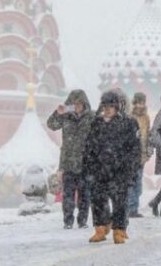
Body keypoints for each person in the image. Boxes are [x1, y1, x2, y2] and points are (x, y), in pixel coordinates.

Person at [84, 91, 140, 244]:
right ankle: (100, 229)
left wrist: (131, 168)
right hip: (99, 170)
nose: (108, 109)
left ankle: (119, 230)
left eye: (111, 106)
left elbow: (134, 149)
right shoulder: (97, 123)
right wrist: (88, 167)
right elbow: (89, 147)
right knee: (97, 200)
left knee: (119, 201)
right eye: (105, 106)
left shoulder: (129, 123)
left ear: (118, 106)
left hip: (120, 170)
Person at [47, 89, 95, 229]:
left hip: (86, 162)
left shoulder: (92, 117)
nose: (77, 106)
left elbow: (101, 134)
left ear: (84, 103)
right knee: (68, 194)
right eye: (74, 103)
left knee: (84, 195)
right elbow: (51, 124)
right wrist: (58, 113)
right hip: (68, 161)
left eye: (79, 103)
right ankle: (68, 221)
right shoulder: (65, 116)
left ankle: (82, 221)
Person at [127, 92, 151, 218]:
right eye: (138, 103)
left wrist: (148, 152)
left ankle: (133, 208)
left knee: (139, 184)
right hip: (131, 155)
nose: (140, 105)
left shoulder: (146, 118)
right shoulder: (130, 117)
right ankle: (131, 208)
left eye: (142, 103)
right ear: (134, 103)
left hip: (141, 156)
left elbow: (148, 135)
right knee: (131, 182)